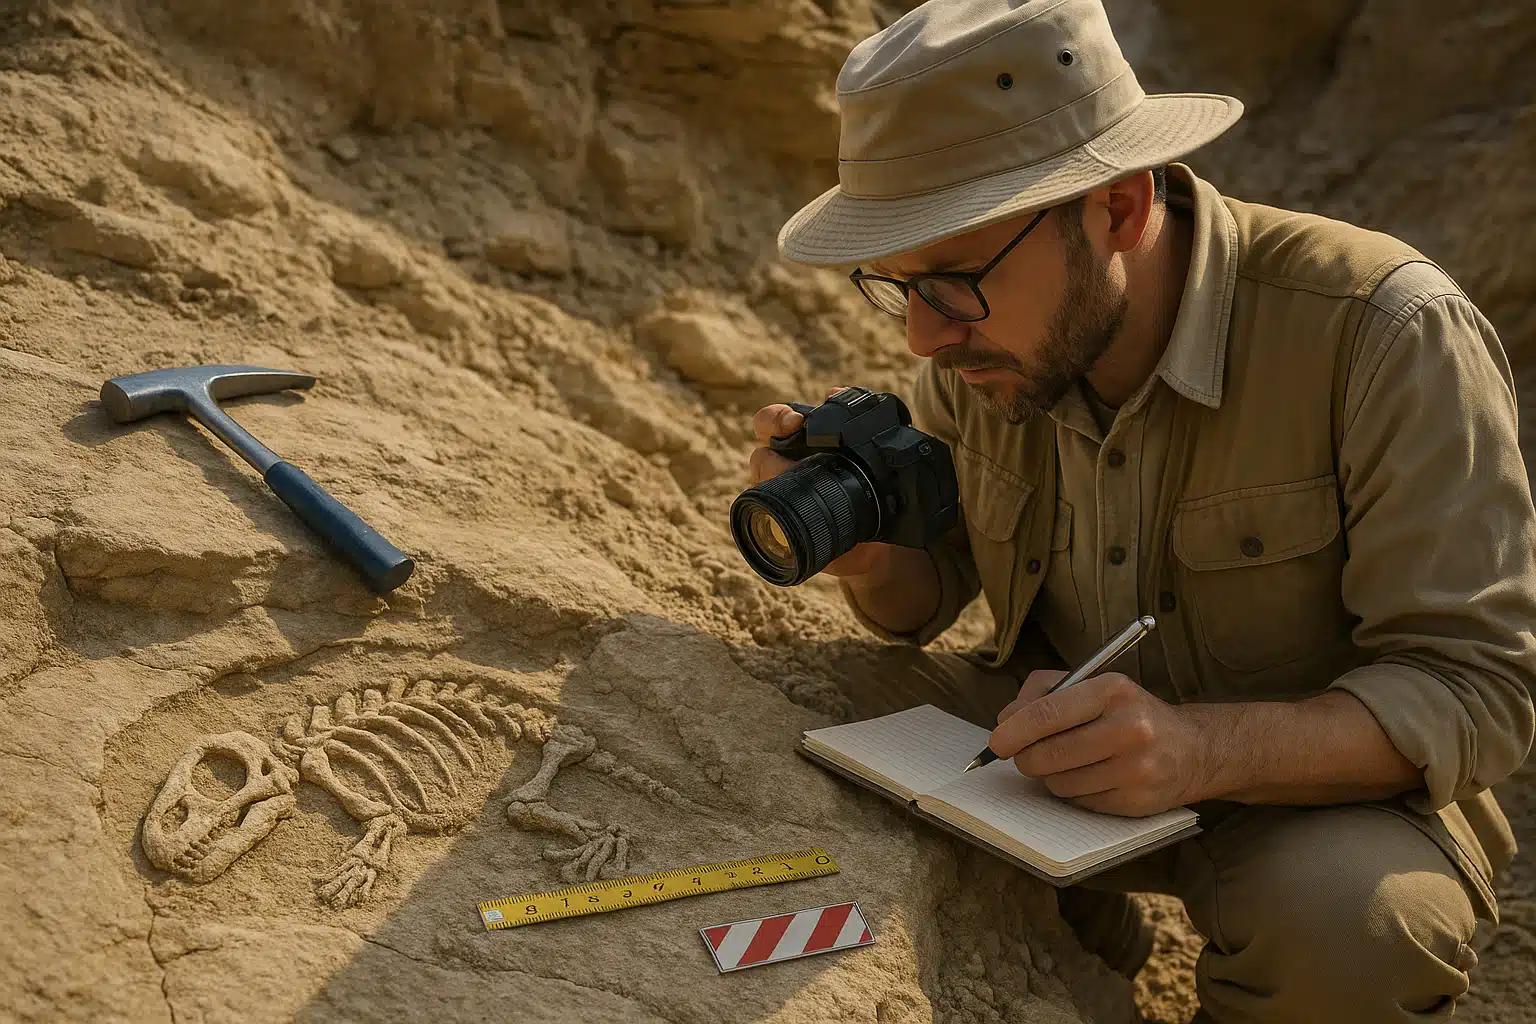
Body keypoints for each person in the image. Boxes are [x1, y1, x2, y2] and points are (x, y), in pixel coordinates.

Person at [751, 1, 1536, 1020]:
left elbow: (1477, 689)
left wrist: (1201, 749)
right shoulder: (990, 347)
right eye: (896, 286)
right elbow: (929, 594)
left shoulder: (1385, 334)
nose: (921, 340)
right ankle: (1069, 942)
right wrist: (866, 556)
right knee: (804, 720)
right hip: (1047, 761)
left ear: (1118, 208)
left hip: (1318, 796)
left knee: (1354, 934)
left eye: (951, 282)